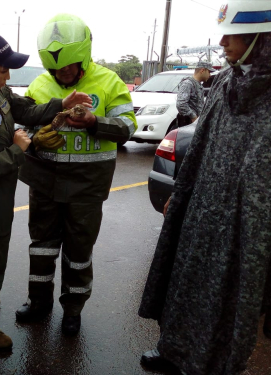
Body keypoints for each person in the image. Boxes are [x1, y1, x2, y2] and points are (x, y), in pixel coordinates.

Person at [138, 1, 271, 374]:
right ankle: (172, 350)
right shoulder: (227, 81)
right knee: (184, 283)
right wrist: (180, 197)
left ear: (262, 39)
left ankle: (206, 365)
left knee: (224, 303)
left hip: (245, 227)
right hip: (203, 208)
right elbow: (199, 144)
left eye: (234, 34)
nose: (223, 41)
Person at [0, 31, 92, 349]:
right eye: (3, 69)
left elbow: (26, 111)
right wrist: (18, 148)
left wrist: (61, 105)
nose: (8, 75)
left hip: (2, 191)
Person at [15, 13, 137, 336]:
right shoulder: (40, 85)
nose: (62, 74)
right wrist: (35, 138)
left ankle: (73, 309)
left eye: (68, 68)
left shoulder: (110, 82)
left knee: (79, 251)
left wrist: (96, 124)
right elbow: (22, 127)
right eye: (56, 69)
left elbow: (128, 127)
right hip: (44, 184)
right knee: (41, 246)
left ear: (83, 57)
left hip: (87, 187)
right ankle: (38, 302)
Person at [175, 61, 215, 127]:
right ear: (202, 70)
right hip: (188, 123)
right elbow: (181, 104)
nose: (210, 75)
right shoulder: (188, 84)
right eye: (209, 72)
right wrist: (193, 117)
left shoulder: (197, 84)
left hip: (195, 123)